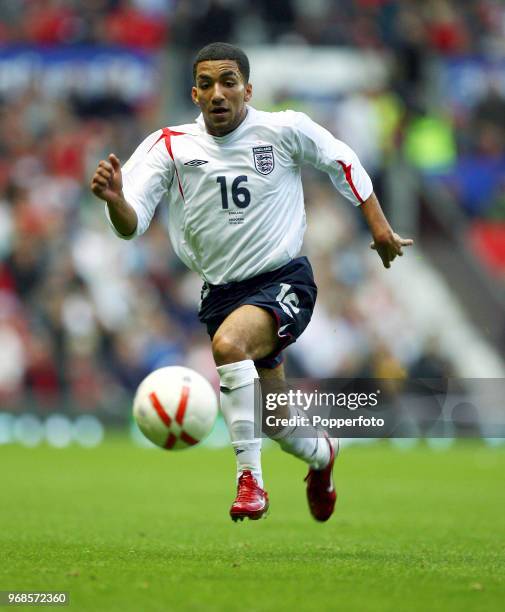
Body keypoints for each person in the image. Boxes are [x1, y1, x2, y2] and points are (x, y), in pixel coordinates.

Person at [91, 42, 413, 523]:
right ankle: (323, 455)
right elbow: (130, 223)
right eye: (206, 84)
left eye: (228, 82)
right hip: (222, 293)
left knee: (228, 346)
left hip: (285, 281)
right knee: (278, 423)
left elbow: (342, 159)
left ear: (247, 89)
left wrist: (380, 227)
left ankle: (250, 482)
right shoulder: (170, 145)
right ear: (194, 93)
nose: (218, 93)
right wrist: (116, 201)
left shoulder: (284, 129)